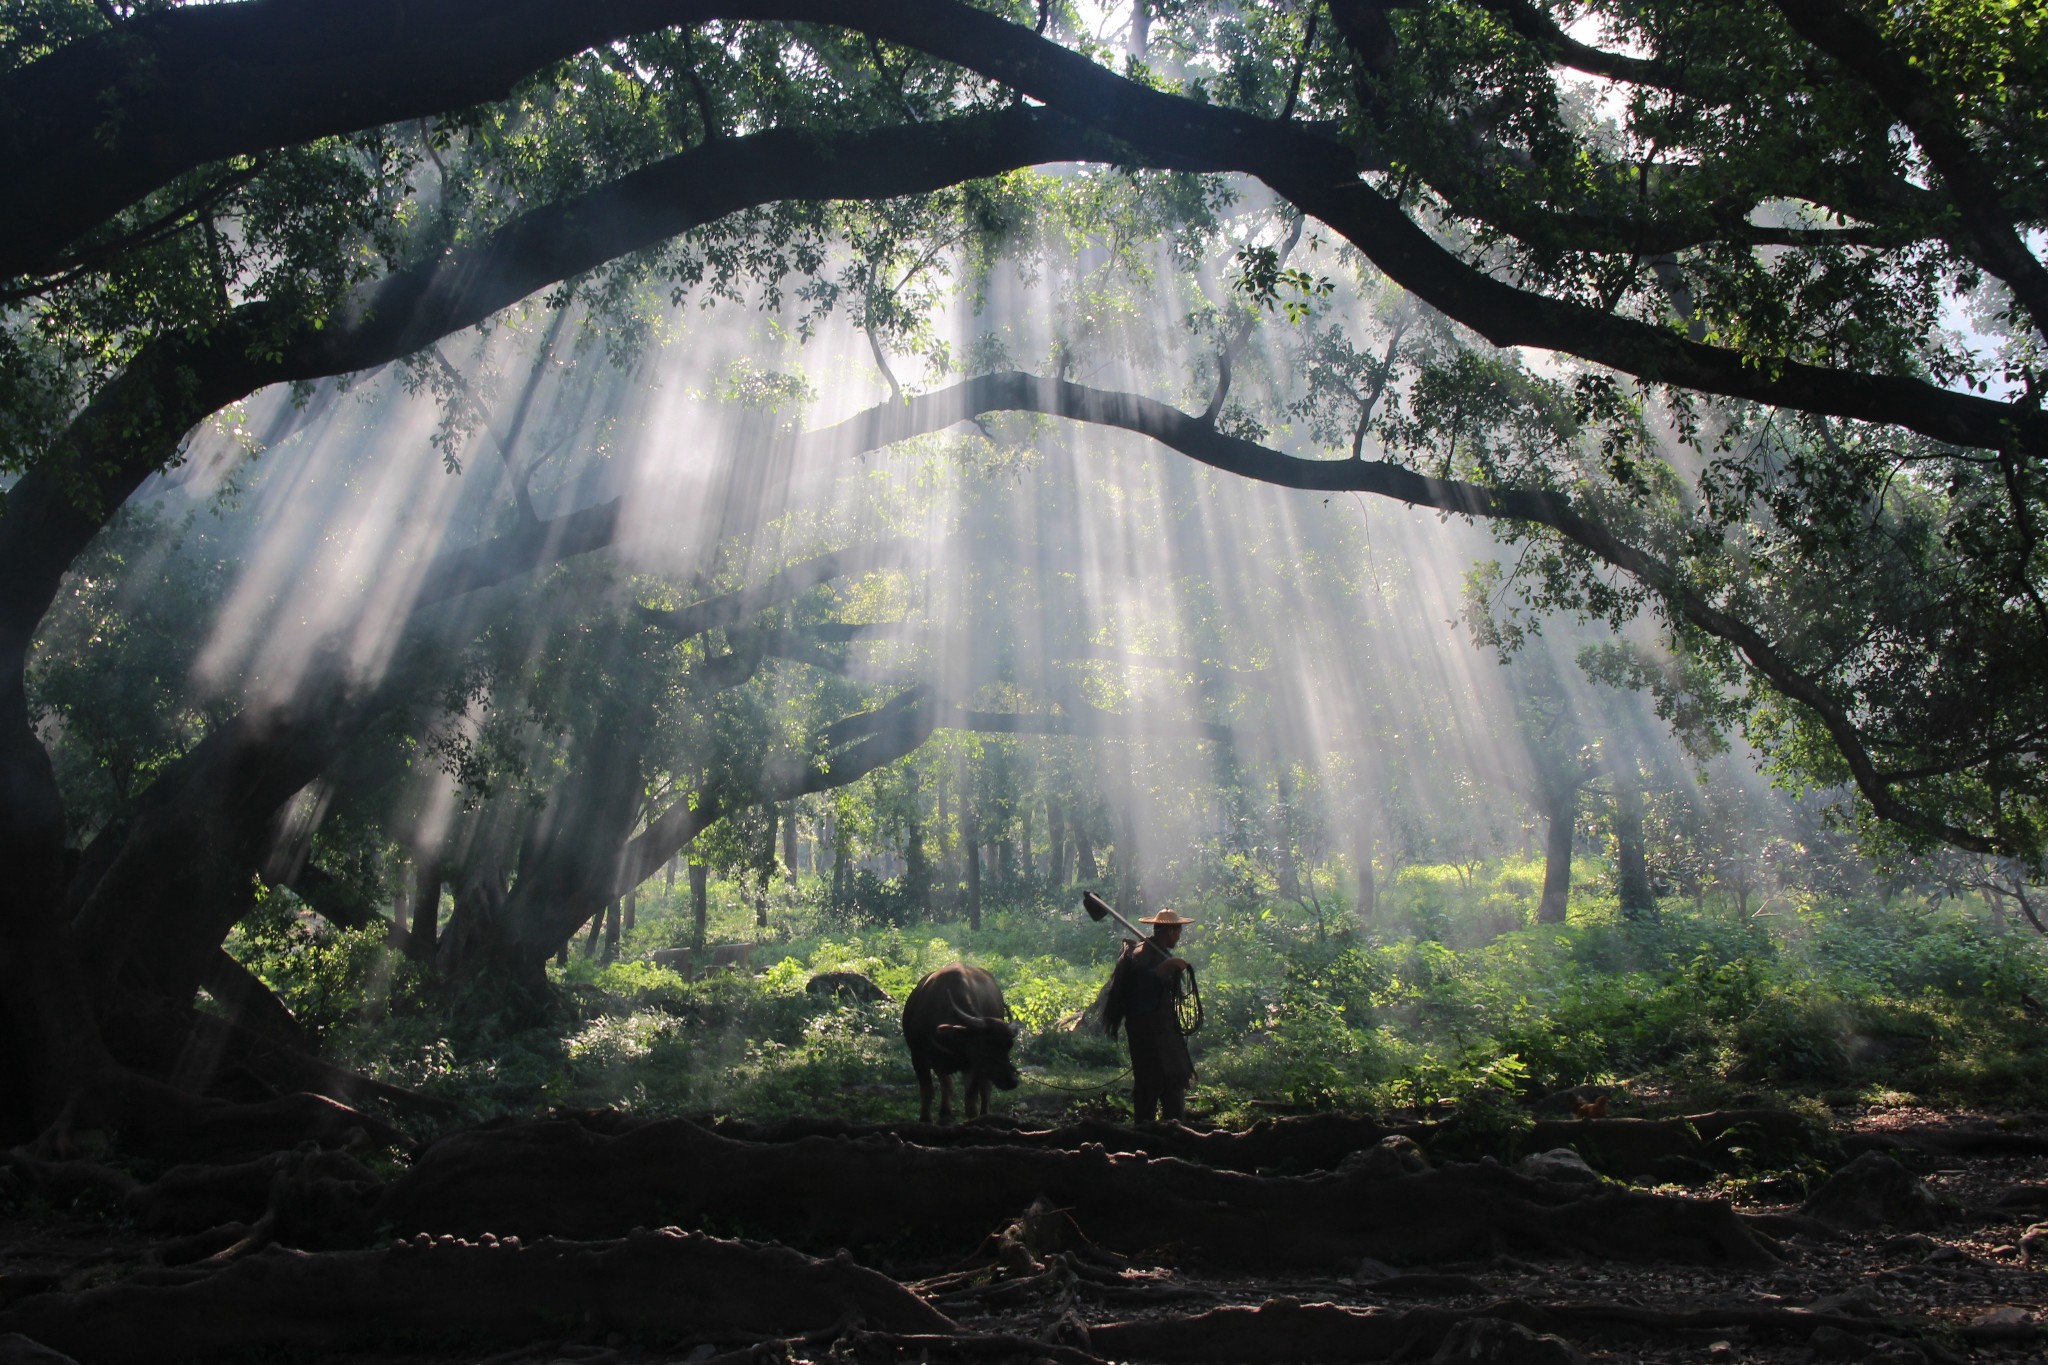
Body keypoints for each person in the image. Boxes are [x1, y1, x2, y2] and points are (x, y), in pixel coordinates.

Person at [1101, 907, 1196, 1123]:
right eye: (1178, 931)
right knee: (1151, 1083)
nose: (1179, 936)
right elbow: (1143, 986)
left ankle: (1171, 1128)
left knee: (1171, 1080)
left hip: (1162, 1028)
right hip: (1148, 1032)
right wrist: (1168, 966)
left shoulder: (1158, 951)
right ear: (1169, 931)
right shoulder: (1142, 955)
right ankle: (1149, 1131)